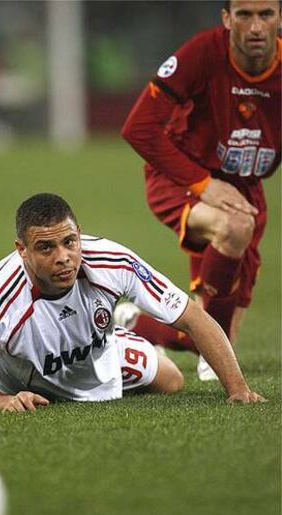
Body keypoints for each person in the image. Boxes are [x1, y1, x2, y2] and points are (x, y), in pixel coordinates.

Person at [0, 193, 265, 412]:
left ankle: (124, 327)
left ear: (79, 233)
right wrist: (4, 401)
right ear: (21, 249)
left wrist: (238, 389)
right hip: (23, 376)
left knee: (171, 380)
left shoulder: (114, 261)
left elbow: (193, 316)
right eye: (45, 248)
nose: (63, 258)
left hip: (92, 354)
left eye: (69, 242)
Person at [118, 0, 281, 381]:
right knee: (234, 226)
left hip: (242, 185)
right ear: (227, 19)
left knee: (211, 331)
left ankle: (133, 323)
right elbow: (138, 127)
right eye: (244, 15)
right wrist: (203, 185)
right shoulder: (203, 53)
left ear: (279, 17)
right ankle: (215, 349)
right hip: (180, 174)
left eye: (266, 14)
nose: (255, 26)